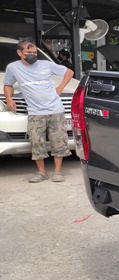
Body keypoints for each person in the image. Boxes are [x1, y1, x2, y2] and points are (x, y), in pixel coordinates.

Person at [3, 38, 74, 183]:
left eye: (34, 52)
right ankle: (41, 173)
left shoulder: (46, 64)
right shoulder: (13, 68)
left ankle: (58, 172)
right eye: (28, 53)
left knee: (59, 141)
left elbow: (69, 72)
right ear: (19, 53)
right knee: (36, 143)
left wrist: (60, 87)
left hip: (55, 110)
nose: (32, 55)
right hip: (35, 112)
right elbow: (8, 84)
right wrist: (9, 98)